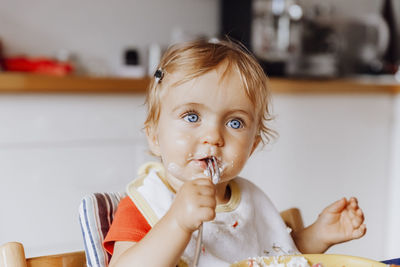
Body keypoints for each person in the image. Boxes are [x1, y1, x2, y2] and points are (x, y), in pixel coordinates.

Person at [103, 39, 366, 267]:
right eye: (192, 116)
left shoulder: (250, 201)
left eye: (235, 123)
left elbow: (274, 257)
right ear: (154, 137)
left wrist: (319, 235)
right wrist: (177, 223)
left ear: (252, 147)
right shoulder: (147, 203)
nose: (214, 137)